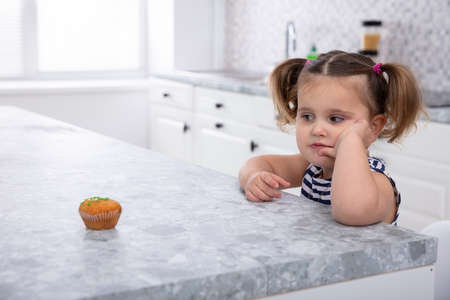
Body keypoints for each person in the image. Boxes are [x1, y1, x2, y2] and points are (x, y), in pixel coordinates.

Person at [238, 50, 426, 226]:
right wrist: (254, 178)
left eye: (336, 119)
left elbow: (351, 211)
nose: (317, 129)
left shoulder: (377, 180)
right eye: (307, 116)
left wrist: (351, 142)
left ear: (373, 127)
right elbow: (257, 163)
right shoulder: (312, 168)